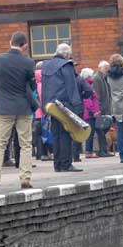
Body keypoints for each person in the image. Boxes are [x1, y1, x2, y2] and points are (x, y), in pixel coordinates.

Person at [0, 32, 36, 189]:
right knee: (25, 144)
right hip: (23, 107)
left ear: (10, 42)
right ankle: (25, 178)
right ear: (25, 45)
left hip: (3, 107)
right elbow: (32, 85)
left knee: (0, 143)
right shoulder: (29, 63)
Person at [42, 43, 83, 172]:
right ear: (66, 55)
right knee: (66, 133)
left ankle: (58, 164)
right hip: (65, 104)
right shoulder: (66, 65)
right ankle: (66, 163)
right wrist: (77, 107)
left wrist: (44, 106)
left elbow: (44, 87)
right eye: (69, 55)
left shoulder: (46, 66)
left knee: (56, 134)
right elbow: (72, 88)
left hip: (51, 105)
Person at [72, 66, 96, 161]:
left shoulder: (62, 80)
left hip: (64, 107)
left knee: (67, 131)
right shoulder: (79, 79)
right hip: (78, 107)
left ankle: (67, 155)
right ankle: (76, 155)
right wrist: (82, 96)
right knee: (78, 131)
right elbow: (89, 90)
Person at [92, 61, 113, 157]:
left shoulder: (104, 78)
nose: (107, 70)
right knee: (100, 130)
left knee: (104, 130)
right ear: (100, 68)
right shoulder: (97, 78)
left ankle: (104, 150)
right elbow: (97, 95)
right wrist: (98, 109)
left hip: (105, 108)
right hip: (101, 109)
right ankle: (102, 151)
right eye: (106, 68)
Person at [80, 68, 99, 158]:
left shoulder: (88, 85)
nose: (93, 77)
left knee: (90, 133)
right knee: (89, 133)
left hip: (90, 113)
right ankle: (88, 151)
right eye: (91, 75)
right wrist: (93, 112)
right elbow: (87, 101)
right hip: (89, 114)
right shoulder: (87, 86)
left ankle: (89, 151)